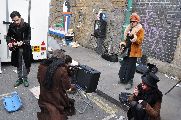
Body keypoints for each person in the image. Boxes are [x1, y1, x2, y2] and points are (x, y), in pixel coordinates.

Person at [37, 49, 75, 120]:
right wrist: (73, 87)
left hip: (43, 95)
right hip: (56, 98)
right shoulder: (62, 70)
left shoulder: (42, 66)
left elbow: (39, 80)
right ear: (62, 59)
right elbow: (67, 87)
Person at [118, 12, 144, 90]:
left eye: (134, 21)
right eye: (131, 21)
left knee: (131, 67)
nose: (132, 23)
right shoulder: (128, 28)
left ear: (137, 22)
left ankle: (130, 81)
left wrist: (133, 36)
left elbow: (139, 41)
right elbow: (125, 40)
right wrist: (123, 45)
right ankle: (123, 79)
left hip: (134, 52)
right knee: (124, 65)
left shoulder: (140, 30)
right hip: (127, 50)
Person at [6, 11, 32, 87]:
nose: (16, 22)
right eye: (14, 20)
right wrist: (9, 42)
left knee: (25, 64)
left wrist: (23, 42)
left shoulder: (26, 26)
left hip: (25, 48)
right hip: (16, 49)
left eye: (17, 20)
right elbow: (8, 36)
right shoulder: (11, 26)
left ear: (20, 17)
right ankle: (20, 78)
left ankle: (25, 79)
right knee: (18, 64)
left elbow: (29, 38)